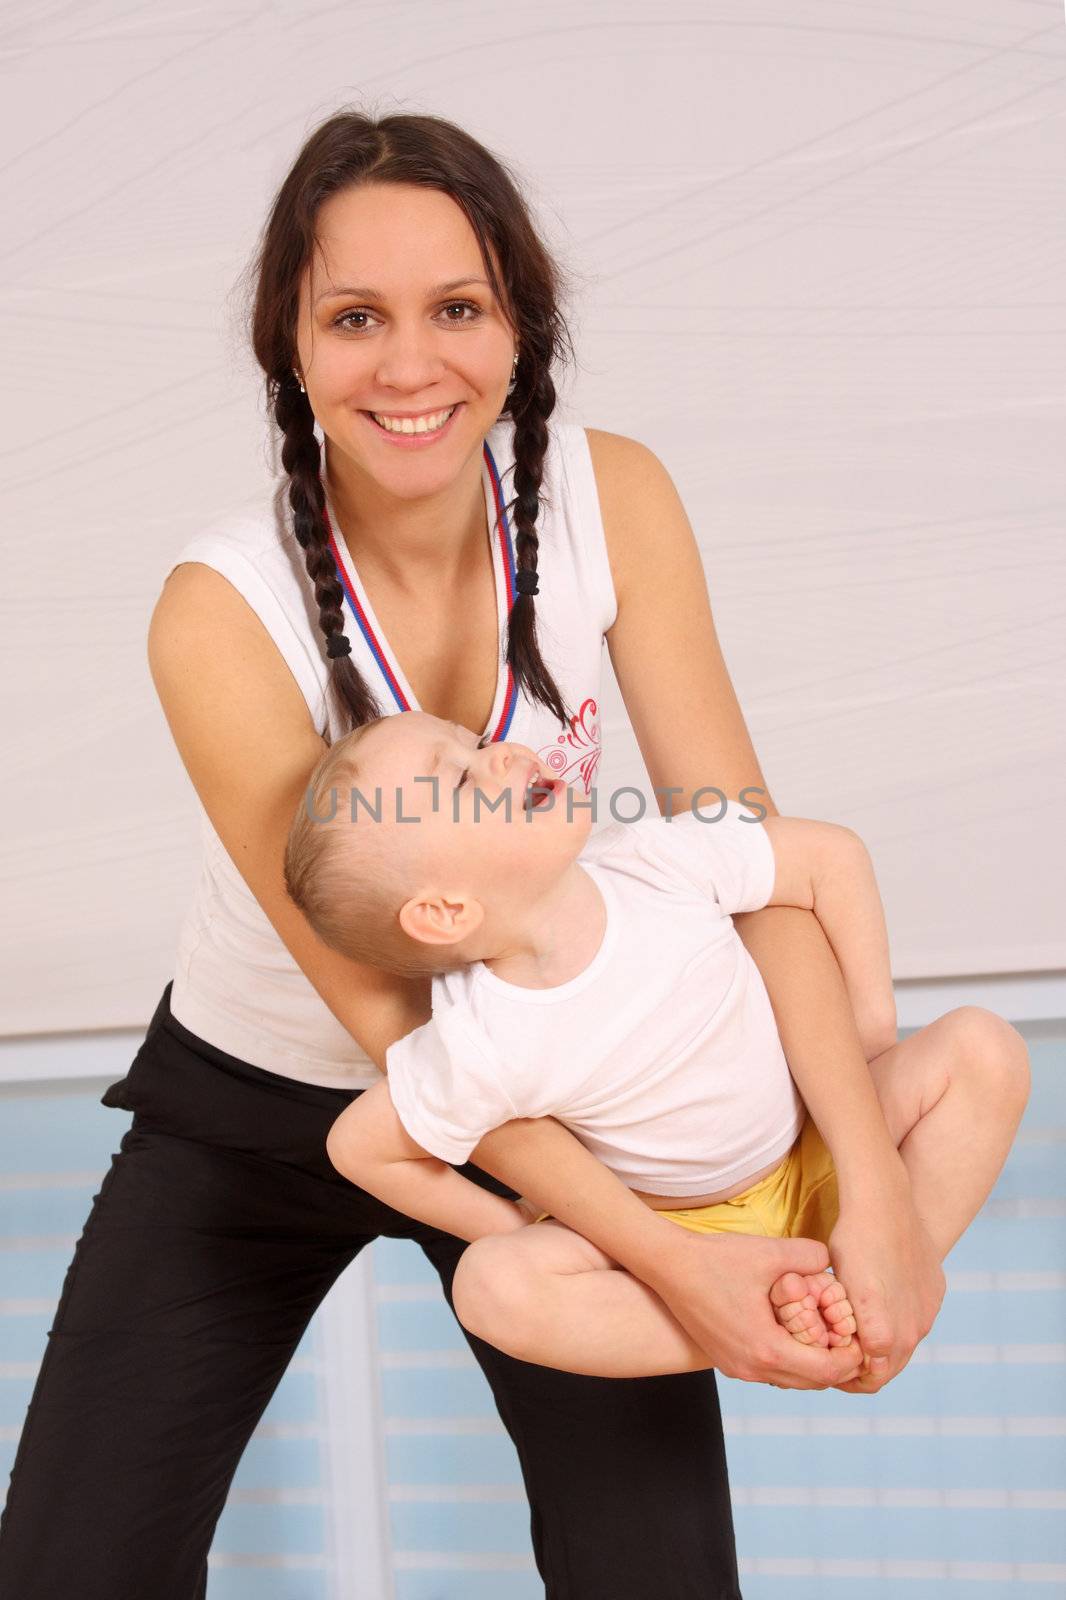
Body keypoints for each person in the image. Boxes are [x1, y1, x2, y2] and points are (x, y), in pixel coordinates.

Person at [0, 107, 1001, 1599]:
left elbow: (756, 862)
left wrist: (868, 1198)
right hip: (277, 1101)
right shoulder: (220, 612)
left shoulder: (614, 500)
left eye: (456, 308)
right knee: (73, 1567)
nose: (411, 368)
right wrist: (672, 1266)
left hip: (574, 1085)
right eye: (355, 318)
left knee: (656, 1573)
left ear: (522, 323)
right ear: (289, 345)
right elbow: (395, 1024)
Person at [286, 708, 1030, 1377]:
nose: (505, 753)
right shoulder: (482, 1037)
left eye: (477, 740)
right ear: (446, 911)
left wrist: (871, 1038)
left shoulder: (651, 859)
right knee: (492, 1289)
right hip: (689, 1231)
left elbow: (830, 860)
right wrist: (511, 1224)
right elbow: (360, 1148)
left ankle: (890, 1284)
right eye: (460, 779)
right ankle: (768, 1326)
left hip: (819, 1146)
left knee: (984, 1049)